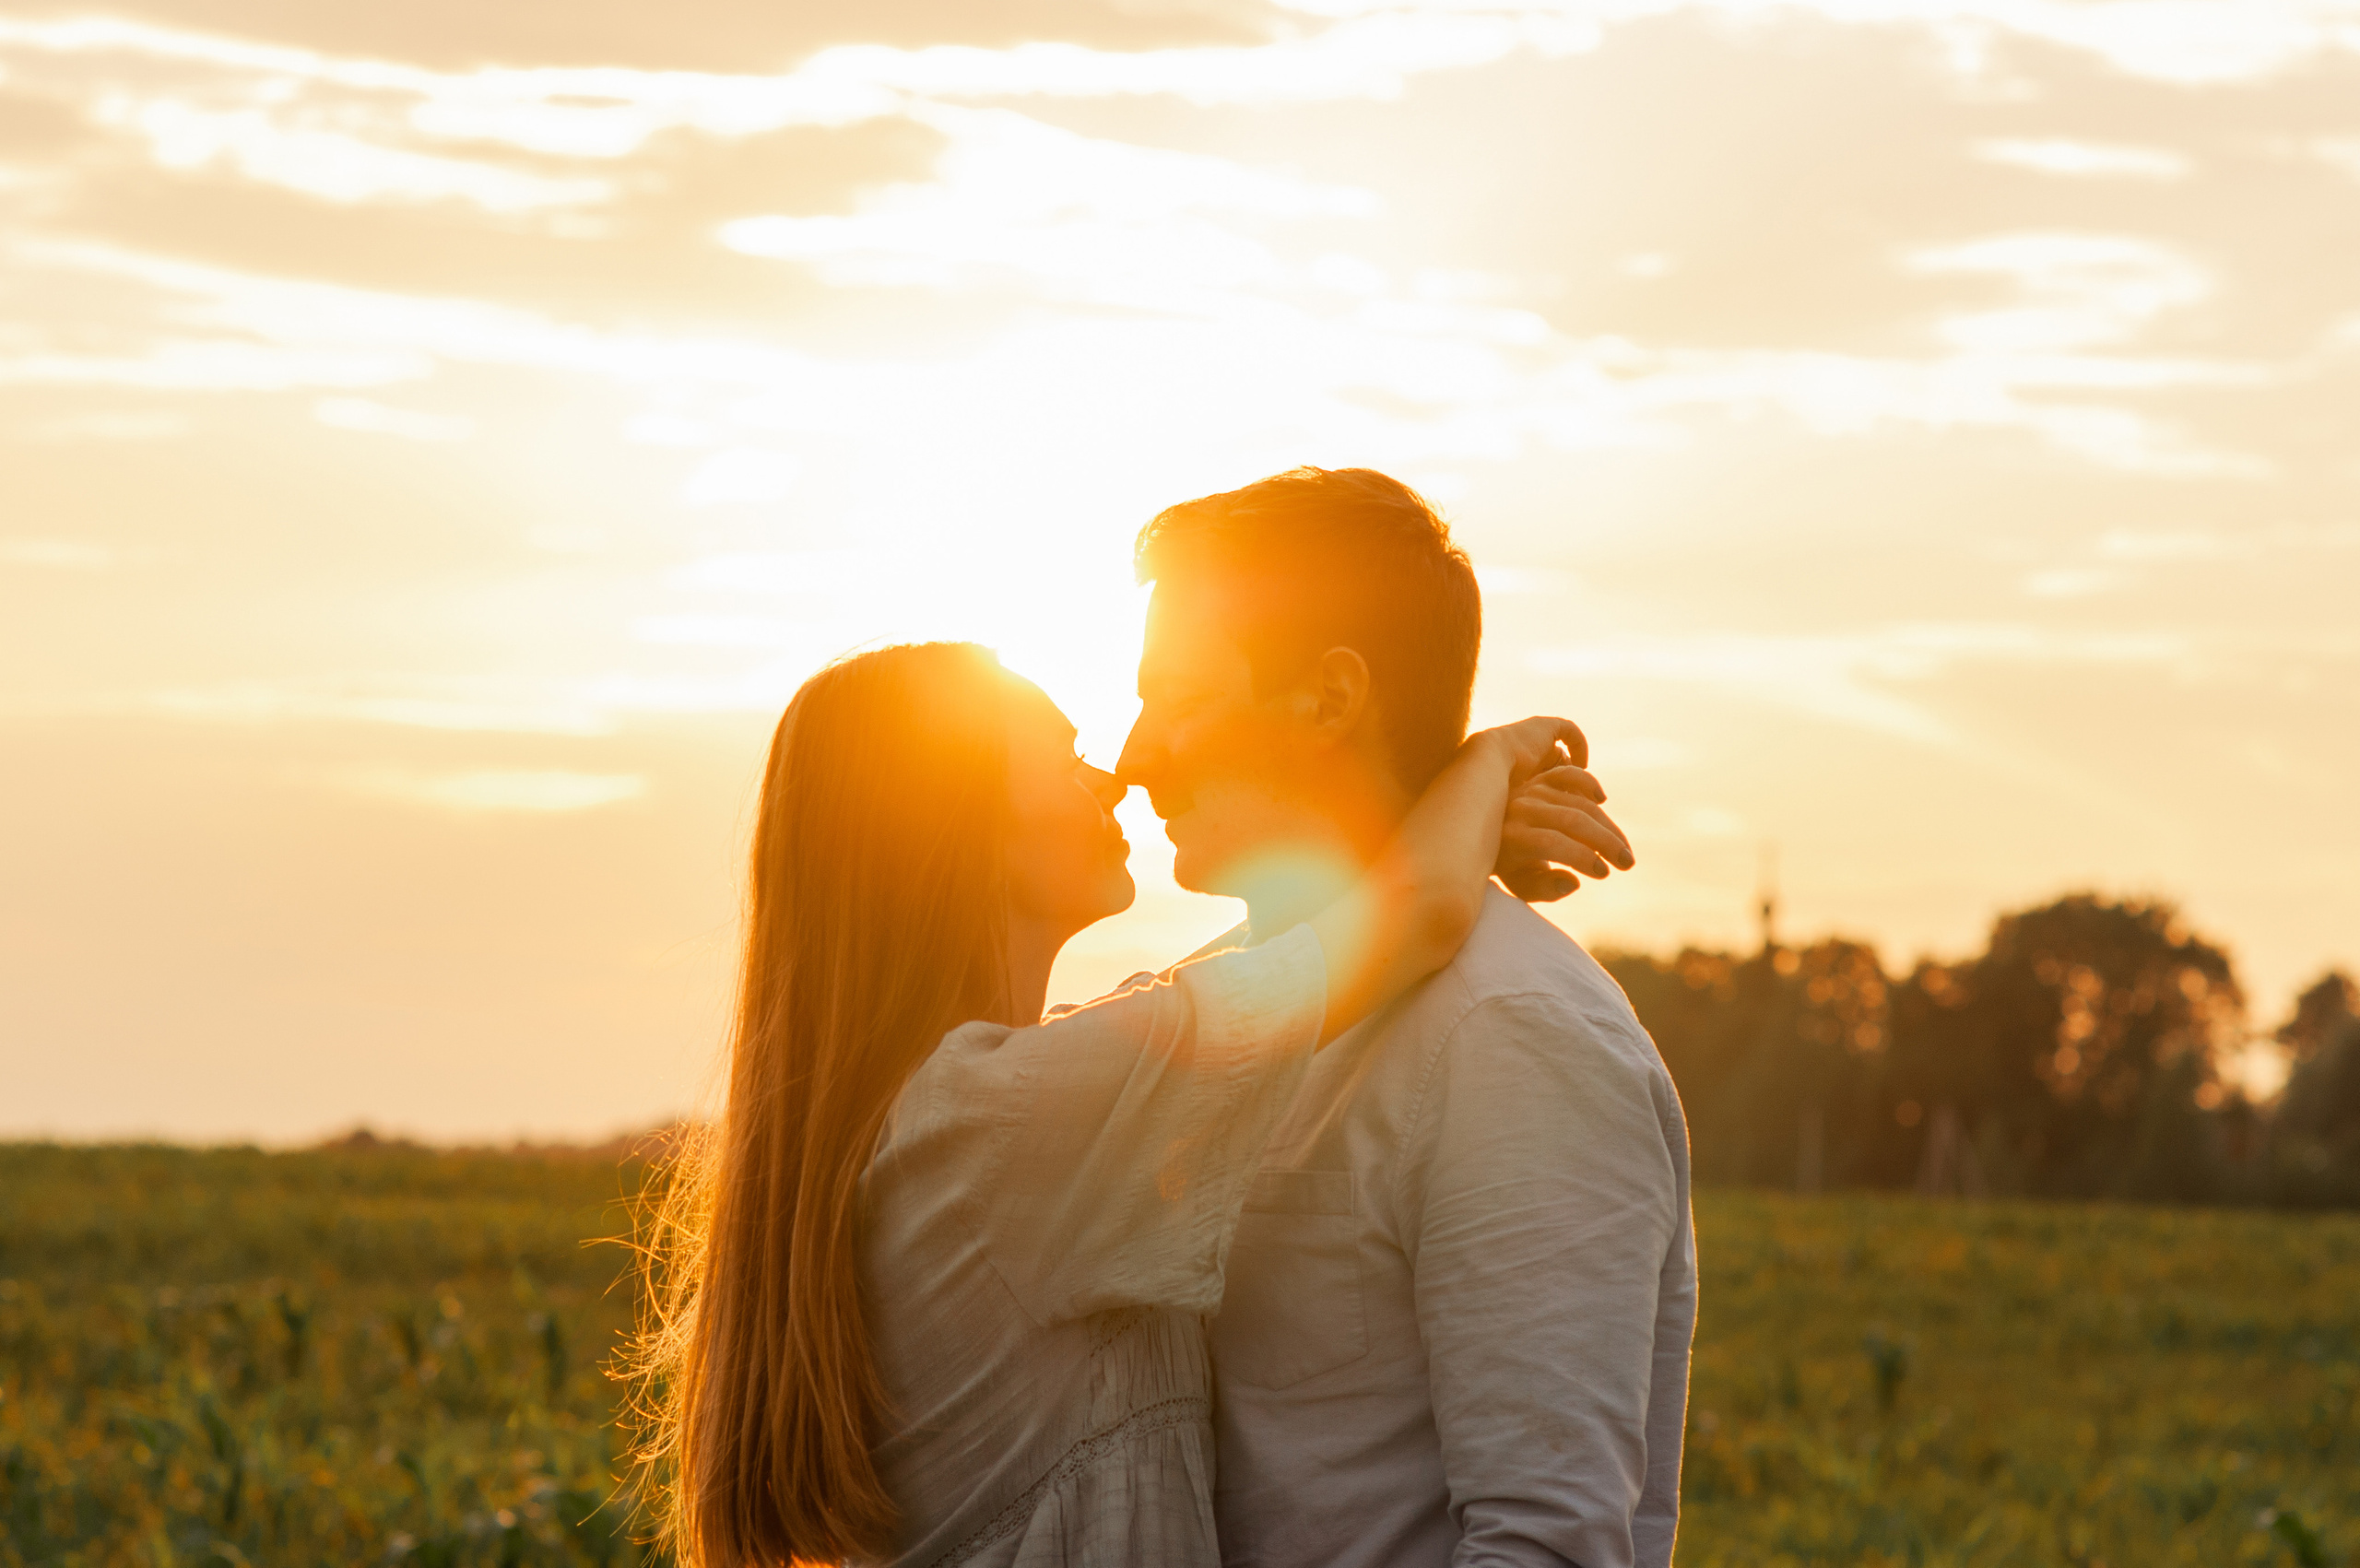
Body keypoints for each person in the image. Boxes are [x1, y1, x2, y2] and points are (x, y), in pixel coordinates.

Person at [623, 640, 1634, 1568]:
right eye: (1062, 759)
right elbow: (1414, 916)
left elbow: (1258, 974)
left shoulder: (953, 1107)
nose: (1110, 774)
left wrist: (1450, 835)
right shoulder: (1018, 1117)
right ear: (961, 824)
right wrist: (1486, 765)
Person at [1115, 467, 1694, 1568]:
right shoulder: (1215, 997)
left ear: (1331, 698)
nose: (1137, 755)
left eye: (1180, 697)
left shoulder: (1508, 1036)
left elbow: (1548, 1544)